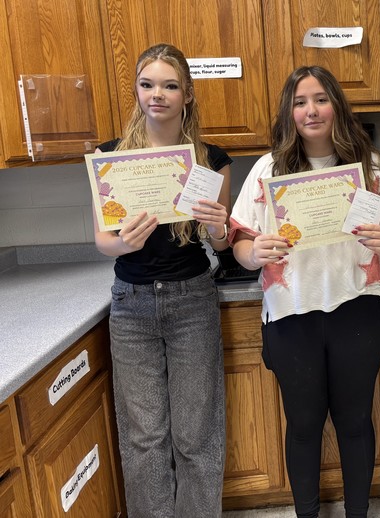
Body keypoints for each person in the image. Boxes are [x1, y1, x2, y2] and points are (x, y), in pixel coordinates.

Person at [229, 65, 380, 518]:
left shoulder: (368, 167)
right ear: (289, 112)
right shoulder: (268, 170)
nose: (312, 110)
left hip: (359, 307)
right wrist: (254, 254)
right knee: (304, 425)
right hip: (292, 312)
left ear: (337, 107)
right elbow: (240, 241)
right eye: (300, 101)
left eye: (321, 99)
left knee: (354, 421)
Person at [93, 43, 231, 517]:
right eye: (148, 84)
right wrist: (124, 243)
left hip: (192, 301)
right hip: (131, 307)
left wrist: (218, 227)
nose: (158, 95)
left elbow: (223, 243)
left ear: (187, 94)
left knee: (197, 434)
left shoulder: (211, 159)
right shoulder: (110, 159)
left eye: (170, 86)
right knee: (144, 438)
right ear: (136, 91)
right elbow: (102, 241)